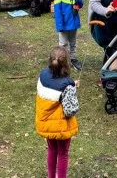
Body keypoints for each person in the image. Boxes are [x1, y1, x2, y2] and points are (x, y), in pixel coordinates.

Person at [35, 46, 79, 178]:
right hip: (61, 127)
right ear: (67, 64)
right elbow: (71, 110)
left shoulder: (42, 76)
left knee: (52, 150)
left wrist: (71, 83)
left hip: (46, 123)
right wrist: (72, 88)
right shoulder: (67, 86)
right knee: (63, 153)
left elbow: (55, 87)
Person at [54, 0, 84, 70]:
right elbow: (57, 13)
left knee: (73, 43)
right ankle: (62, 61)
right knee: (63, 44)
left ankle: (73, 59)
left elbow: (80, 5)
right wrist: (59, 26)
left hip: (74, 23)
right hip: (64, 24)